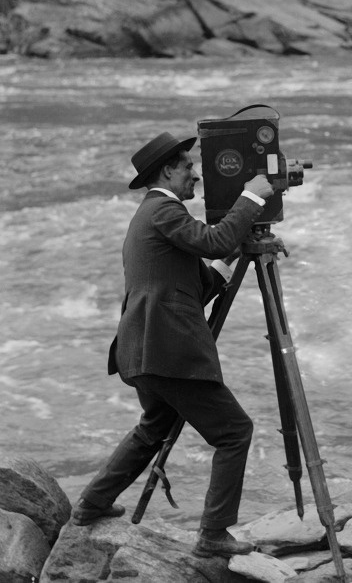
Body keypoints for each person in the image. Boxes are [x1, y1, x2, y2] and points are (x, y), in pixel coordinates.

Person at [71, 131, 274, 559]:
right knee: (235, 432)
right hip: (166, 349)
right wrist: (252, 197)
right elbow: (214, 240)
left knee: (153, 429)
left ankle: (91, 505)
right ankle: (213, 533)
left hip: (146, 348)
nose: (197, 176)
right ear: (167, 170)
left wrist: (241, 250)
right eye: (188, 167)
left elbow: (197, 286)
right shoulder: (163, 208)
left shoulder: (153, 217)